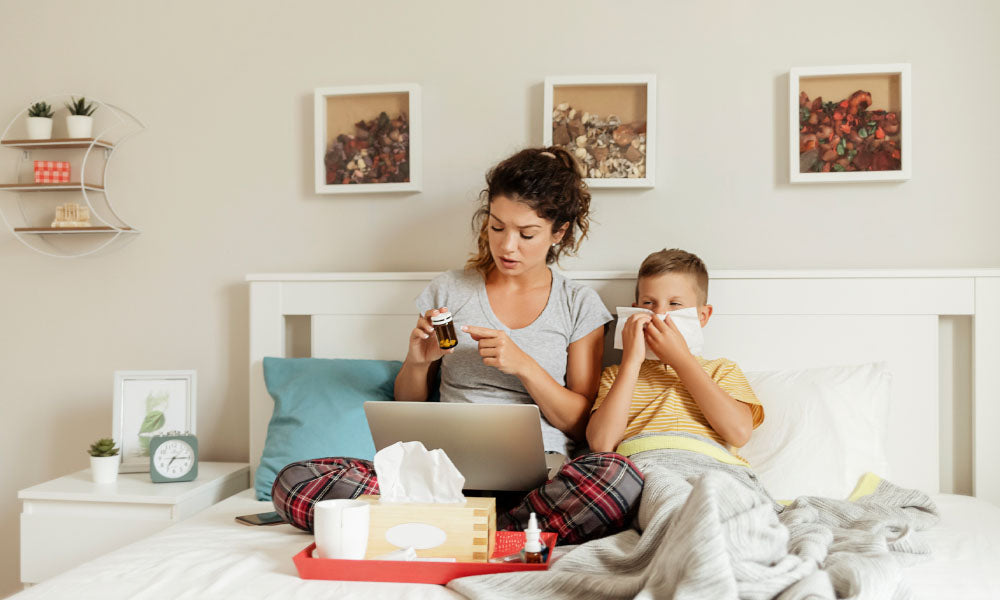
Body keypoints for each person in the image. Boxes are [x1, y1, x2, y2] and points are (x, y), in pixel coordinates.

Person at [272, 147, 643, 544]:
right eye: (497, 227)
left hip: (537, 485)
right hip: (436, 477)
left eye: (526, 233)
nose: (507, 246)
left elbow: (579, 422)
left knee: (618, 479)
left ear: (559, 232)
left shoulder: (578, 304)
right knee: (293, 482)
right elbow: (408, 406)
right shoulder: (448, 289)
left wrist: (524, 366)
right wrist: (417, 363)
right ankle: (499, 534)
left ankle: (450, 530)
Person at [586, 248, 765, 461]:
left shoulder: (722, 370)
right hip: (640, 467)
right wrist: (631, 362)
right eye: (648, 304)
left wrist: (681, 360)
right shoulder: (616, 375)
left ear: (702, 316)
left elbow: (739, 433)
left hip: (706, 464)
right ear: (635, 311)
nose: (660, 314)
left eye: (675, 304)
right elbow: (601, 444)